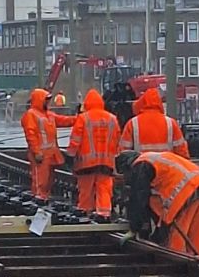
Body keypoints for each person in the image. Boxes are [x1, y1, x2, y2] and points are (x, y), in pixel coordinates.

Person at [117, 148, 199, 260]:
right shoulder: (154, 160)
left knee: (175, 238)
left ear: (127, 166)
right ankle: (197, 272)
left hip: (187, 192)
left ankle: (174, 271)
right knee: (195, 239)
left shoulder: (141, 165)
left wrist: (134, 228)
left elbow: (138, 198)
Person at [68, 87, 121, 218]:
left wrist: (70, 155)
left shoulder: (83, 118)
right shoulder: (112, 119)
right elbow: (117, 140)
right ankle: (104, 213)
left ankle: (85, 213)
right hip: (106, 162)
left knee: (86, 190)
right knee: (104, 189)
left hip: (86, 163)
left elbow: (76, 139)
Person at [119, 86, 189, 159]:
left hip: (141, 167)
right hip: (166, 168)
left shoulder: (132, 123)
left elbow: (124, 153)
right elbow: (182, 152)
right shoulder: (170, 123)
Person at [21, 86, 63, 202]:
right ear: (40, 100)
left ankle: (43, 197)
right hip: (41, 155)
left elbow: (64, 120)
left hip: (50, 154)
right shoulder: (31, 114)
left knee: (48, 180)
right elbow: (31, 135)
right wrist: (37, 152)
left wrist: (79, 118)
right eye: (46, 100)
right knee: (40, 179)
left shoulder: (48, 115)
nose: (48, 102)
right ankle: (39, 198)